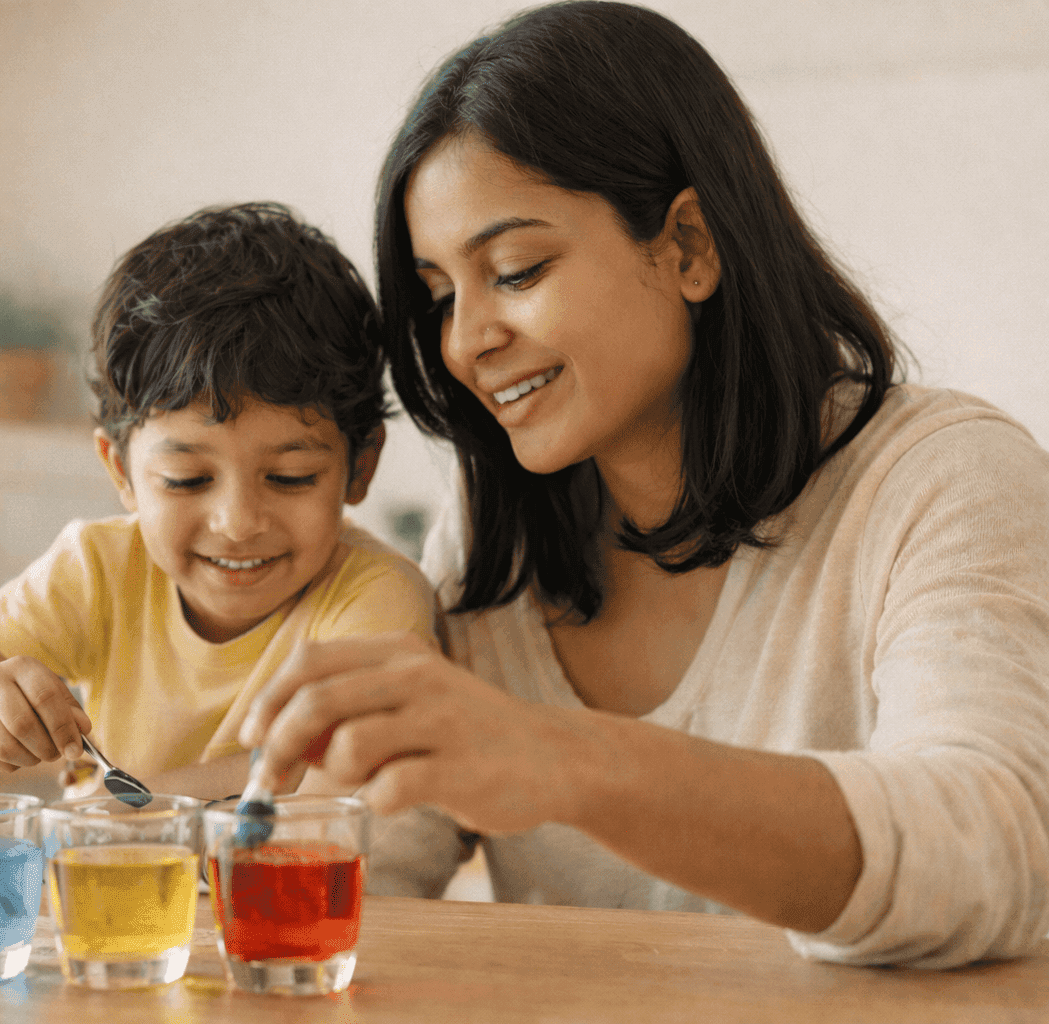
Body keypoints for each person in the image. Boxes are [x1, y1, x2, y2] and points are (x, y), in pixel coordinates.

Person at [239, 1, 1049, 969]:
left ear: (690, 248)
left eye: (517, 268)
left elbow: (992, 848)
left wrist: (569, 762)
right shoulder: (496, 538)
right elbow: (373, 871)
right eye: (442, 296)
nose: (464, 341)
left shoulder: (943, 479)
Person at [0, 202, 439, 915]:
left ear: (360, 466)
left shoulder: (377, 596)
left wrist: (65, 833)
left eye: (290, 477)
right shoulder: (99, 568)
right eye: (187, 480)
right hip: (121, 938)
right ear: (119, 470)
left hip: (297, 939)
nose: (239, 523)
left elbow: (314, 783)